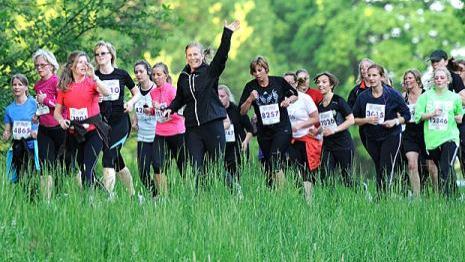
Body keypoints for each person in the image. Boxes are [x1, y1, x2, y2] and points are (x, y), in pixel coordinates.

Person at [165, 20, 240, 188]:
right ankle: (201, 201)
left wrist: (227, 33)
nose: (193, 57)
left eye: (195, 54)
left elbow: (222, 56)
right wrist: (170, 109)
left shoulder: (209, 71)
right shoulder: (183, 77)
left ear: (201, 55)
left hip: (212, 123)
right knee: (196, 168)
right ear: (186, 57)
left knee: (217, 167)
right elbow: (179, 99)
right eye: (190, 55)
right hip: (193, 128)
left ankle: (236, 192)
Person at [239, 56, 298, 188]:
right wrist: (250, 99)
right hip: (264, 131)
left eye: (260, 70)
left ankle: (284, 192)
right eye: (254, 71)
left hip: (282, 128)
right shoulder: (250, 87)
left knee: (275, 157)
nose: (257, 74)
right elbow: (242, 112)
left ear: (266, 69)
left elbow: (295, 95)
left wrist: (288, 101)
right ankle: (277, 190)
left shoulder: (278, 81)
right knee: (269, 164)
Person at [54, 51, 111, 188]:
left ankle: (89, 201)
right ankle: (105, 194)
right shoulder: (64, 87)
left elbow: (107, 92)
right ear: (71, 66)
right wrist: (62, 121)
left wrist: (95, 77)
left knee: (87, 167)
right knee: (84, 169)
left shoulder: (91, 82)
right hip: (75, 133)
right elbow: (57, 112)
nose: (84, 65)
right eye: (80, 62)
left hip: (94, 131)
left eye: (86, 62)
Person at [353, 64, 410, 194]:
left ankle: (382, 198)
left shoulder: (392, 94)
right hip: (371, 137)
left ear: (382, 77)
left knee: (385, 167)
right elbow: (353, 119)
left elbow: (407, 115)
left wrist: (395, 121)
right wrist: (366, 120)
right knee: (379, 166)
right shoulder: (363, 97)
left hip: (391, 136)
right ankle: (385, 196)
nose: (371, 78)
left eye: (375, 75)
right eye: (369, 75)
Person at [94, 41, 140, 197]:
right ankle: (133, 196)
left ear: (111, 55)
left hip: (120, 122)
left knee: (108, 157)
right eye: (97, 54)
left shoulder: (121, 74)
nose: (100, 56)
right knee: (117, 161)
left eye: (103, 53)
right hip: (102, 124)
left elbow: (137, 93)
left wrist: (131, 103)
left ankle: (108, 197)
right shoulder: (94, 76)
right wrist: (95, 100)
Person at [415, 67, 463, 196]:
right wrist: (431, 114)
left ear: (448, 80)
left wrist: (460, 117)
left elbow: (460, 113)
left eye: (442, 78)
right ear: (433, 80)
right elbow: (418, 116)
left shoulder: (454, 97)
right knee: (444, 169)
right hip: (432, 141)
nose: (439, 80)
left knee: (444, 168)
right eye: (436, 78)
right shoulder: (425, 96)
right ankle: (454, 196)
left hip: (450, 137)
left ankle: (445, 200)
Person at [3, 74, 51, 199]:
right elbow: (8, 130)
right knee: (20, 174)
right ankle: (25, 197)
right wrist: (6, 135)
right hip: (18, 145)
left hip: (34, 144)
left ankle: (42, 197)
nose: (16, 87)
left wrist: (37, 131)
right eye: (14, 84)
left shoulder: (34, 103)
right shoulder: (9, 109)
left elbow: (46, 119)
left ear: (26, 87)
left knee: (39, 172)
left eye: (20, 84)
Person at [150, 62, 186, 192]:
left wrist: (165, 110)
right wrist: (152, 111)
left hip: (176, 132)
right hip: (160, 133)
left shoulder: (172, 91)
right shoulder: (153, 93)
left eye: (159, 74)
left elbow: (180, 114)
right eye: (153, 75)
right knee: (157, 165)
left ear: (166, 75)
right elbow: (157, 112)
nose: (156, 77)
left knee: (183, 166)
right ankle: (163, 196)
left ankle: (191, 194)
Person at [316, 72, 355, 187]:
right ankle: (331, 202)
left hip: (343, 144)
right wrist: (317, 131)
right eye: (318, 82)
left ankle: (363, 189)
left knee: (346, 179)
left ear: (331, 85)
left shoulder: (338, 101)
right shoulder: (320, 105)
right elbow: (325, 124)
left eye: (324, 82)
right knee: (325, 177)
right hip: (328, 145)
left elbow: (351, 120)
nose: (320, 85)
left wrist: (334, 130)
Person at [32, 49, 68, 171]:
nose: (39, 68)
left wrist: (46, 100)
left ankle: (74, 189)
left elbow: (64, 105)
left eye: (42, 65)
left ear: (51, 65)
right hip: (44, 129)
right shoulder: (37, 85)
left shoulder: (57, 82)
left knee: (66, 166)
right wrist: (37, 114)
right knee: (46, 166)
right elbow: (42, 107)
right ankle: (46, 191)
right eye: (37, 65)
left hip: (59, 128)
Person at [286, 76, 319, 201]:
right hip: (289, 140)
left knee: (307, 171)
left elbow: (315, 118)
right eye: (285, 82)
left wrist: (300, 125)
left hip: (305, 139)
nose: (288, 85)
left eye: (291, 82)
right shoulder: (281, 99)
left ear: (296, 83)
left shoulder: (305, 98)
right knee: (293, 170)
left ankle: (309, 200)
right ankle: (299, 198)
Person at [218, 84, 253, 192]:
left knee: (237, 174)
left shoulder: (237, 110)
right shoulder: (214, 112)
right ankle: (232, 193)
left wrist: (246, 142)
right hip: (223, 149)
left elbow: (250, 130)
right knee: (224, 175)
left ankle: (239, 194)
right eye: (217, 96)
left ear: (228, 96)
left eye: (222, 96)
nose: (220, 99)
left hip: (238, 148)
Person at [132, 60, 159, 197]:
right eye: (136, 72)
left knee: (158, 169)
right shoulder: (136, 91)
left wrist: (153, 110)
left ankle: (162, 197)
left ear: (148, 72)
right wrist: (135, 121)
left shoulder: (156, 89)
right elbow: (135, 108)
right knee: (142, 172)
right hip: (142, 136)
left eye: (141, 71)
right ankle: (154, 194)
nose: (138, 74)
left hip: (157, 135)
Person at [400, 69, 427, 196]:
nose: (407, 81)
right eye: (406, 79)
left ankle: (437, 195)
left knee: (430, 165)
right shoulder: (403, 97)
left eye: (410, 78)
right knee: (411, 164)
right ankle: (417, 198)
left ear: (417, 79)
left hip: (426, 131)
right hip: (409, 132)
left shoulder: (426, 94)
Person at [348, 58, 375, 150]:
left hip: (383, 127)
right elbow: (349, 113)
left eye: (367, 67)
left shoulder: (383, 87)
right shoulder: (356, 91)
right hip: (365, 129)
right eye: (361, 68)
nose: (364, 70)